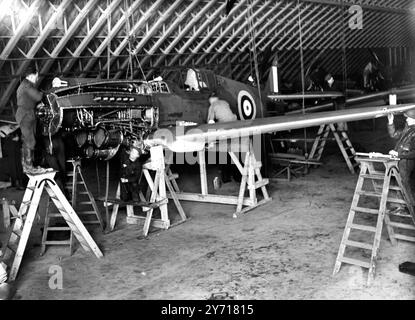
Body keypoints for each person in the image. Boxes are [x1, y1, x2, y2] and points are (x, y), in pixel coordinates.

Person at [15, 64, 46, 174]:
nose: (37, 78)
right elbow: (38, 97)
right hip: (26, 115)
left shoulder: (24, 84)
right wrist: (45, 92)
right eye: (37, 76)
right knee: (30, 141)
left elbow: (29, 100)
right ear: (32, 76)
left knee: (27, 141)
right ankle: (29, 167)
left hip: (26, 114)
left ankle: (27, 166)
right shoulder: (28, 85)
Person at [207, 95, 240, 184]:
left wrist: (210, 142)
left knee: (223, 154)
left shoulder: (212, 106)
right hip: (235, 127)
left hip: (225, 129)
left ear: (211, 100)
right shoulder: (225, 102)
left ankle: (226, 179)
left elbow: (210, 123)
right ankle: (238, 177)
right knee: (235, 152)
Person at [387, 110, 415, 208]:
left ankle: (410, 207)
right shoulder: (407, 129)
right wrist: (390, 122)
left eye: (408, 117)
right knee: (400, 183)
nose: (406, 119)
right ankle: (402, 206)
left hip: (407, 162)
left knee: (405, 184)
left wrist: (398, 154)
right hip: (401, 160)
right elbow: (394, 135)